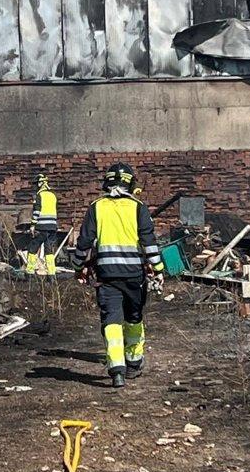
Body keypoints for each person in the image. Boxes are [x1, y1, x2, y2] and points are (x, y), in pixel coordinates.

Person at [73, 162, 164, 388]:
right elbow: (149, 242)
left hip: (106, 277)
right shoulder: (138, 207)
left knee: (111, 320)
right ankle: (133, 363)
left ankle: (117, 371)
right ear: (130, 184)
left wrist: (77, 265)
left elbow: (84, 242)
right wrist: (159, 268)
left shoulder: (96, 207)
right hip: (134, 276)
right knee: (134, 317)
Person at [25, 173, 58, 277]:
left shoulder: (40, 195)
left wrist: (32, 225)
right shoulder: (53, 195)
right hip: (52, 227)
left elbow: (36, 211)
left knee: (33, 248)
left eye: (36, 184)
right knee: (49, 251)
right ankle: (52, 274)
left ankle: (29, 272)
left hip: (41, 227)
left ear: (40, 183)